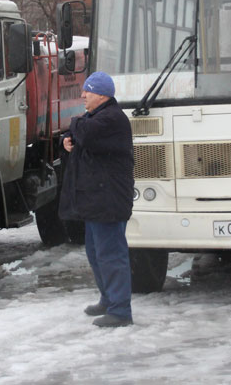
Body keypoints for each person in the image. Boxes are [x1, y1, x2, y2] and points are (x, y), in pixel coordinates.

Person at [59, 71, 135, 327]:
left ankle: (120, 310)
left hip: (109, 201)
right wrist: (67, 141)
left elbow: (86, 133)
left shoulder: (112, 119)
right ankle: (108, 299)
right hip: (96, 201)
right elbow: (82, 137)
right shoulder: (96, 117)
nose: (82, 96)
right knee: (96, 253)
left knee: (111, 255)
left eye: (87, 92)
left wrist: (74, 124)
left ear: (102, 94)